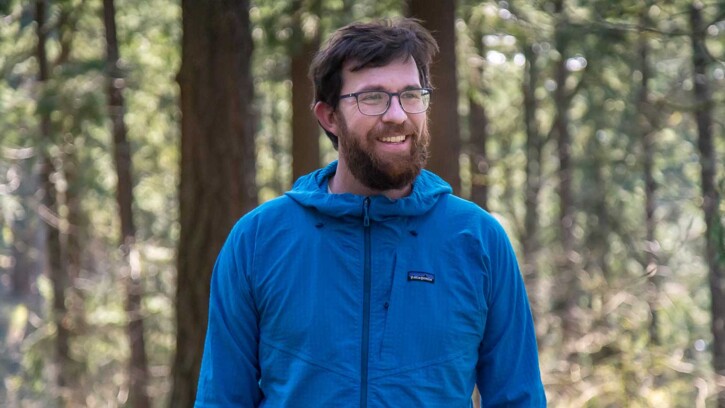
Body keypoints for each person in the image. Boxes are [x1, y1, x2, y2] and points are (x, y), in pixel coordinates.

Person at [195, 18, 546, 407]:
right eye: (373, 97)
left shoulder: (478, 239)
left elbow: (519, 398)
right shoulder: (258, 240)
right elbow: (221, 399)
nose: (397, 114)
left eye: (411, 95)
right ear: (329, 116)